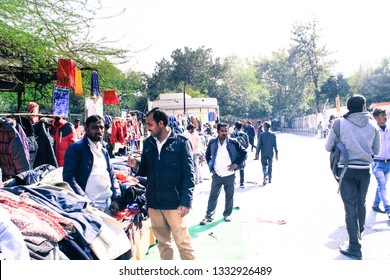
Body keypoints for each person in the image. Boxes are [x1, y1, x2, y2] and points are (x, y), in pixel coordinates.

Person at [127, 107, 196, 260]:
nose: (147, 127)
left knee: (184, 245)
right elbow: (145, 170)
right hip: (154, 204)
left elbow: (189, 175)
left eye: (149, 124)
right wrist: (136, 165)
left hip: (174, 204)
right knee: (163, 244)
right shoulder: (148, 143)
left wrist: (186, 202)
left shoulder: (181, 142)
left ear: (161, 123)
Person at [325, 95, 380, 260]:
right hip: (364, 171)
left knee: (350, 207)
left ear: (348, 107)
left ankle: (354, 246)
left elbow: (328, 147)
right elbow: (376, 151)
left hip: (346, 171)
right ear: (364, 106)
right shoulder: (373, 126)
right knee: (361, 204)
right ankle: (359, 234)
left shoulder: (339, 123)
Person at [63, 115, 122, 216]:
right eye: (95, 127)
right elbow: (69, 177)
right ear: (86, 128)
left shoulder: (104, 150)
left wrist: (116, 198)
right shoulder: (76, 149)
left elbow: (112, 175)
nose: (99, 130)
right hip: (89, 207)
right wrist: (84, 199)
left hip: (108, 205)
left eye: (101, 127)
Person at [200, 122, 247, 225]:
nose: (224, 133)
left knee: (229, 196)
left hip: (229, 175)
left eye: (226, 131)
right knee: (213, 196)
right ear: (217, 132)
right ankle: (209, 216)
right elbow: (207, 155)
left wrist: (236, 164)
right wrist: (210, 166)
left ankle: (227, 214)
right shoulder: (212, 142)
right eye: (222, 131)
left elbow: (244, 152)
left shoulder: (233, 142)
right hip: (217, 174)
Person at [370, 107, 390, 218]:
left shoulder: (389, 129)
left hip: (388, 163)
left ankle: (375, 204)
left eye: (385, 115)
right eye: (382, 115)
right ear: (376, 117)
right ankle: (388, 209)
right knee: (382, 186)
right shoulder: (373, 130)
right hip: (377, 163)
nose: (385, 117)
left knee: (381, 185)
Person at [258, 121, 278, 185]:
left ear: (265, 127)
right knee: (270, 165)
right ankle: (270, 179)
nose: (263, 127)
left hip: (263, 152)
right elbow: (275, 145)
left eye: (263, 126)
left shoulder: (261, 134)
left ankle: (265, 174)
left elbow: (259, 145)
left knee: (264, 165)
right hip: (270, 152)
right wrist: (276, 154)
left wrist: (257, 153)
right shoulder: (273, 134)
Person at [230, 122, 249, 188]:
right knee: (242, 168)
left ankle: (233, 181)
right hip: (242, 153)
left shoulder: (232, 134)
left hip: (234, 153)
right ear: (241, 127)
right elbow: (247, 145)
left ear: (235, 126)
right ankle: (242, 183)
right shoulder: (244, 134)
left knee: (233, 167)